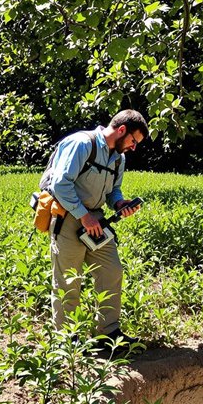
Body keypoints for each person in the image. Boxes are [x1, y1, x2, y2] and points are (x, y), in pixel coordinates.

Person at [40, 109, 147, 346]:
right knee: (68, 280)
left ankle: (108, 335)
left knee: (112, 270)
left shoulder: (119, 158)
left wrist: (119, 203)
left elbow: (113, 190)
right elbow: (60, 184)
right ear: (121, 130)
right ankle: (66, 341)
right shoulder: (81, 144)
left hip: (96, 221)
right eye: (132, 140)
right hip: (68, 219)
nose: (133, 147)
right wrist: (83, 215)